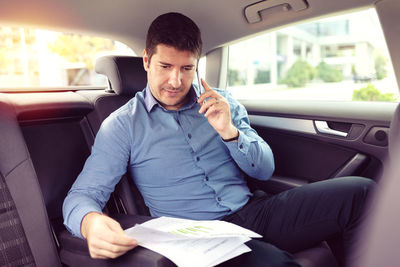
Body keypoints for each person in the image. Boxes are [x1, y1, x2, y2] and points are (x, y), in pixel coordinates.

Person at [63, 12, 374, 266]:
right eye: (165, 66)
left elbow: (263, 170)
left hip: (255, 212)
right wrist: (91, 223)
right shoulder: (122, 125)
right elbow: (81, 195)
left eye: (187, 68)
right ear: (146, 60)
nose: (176, 80)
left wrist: (230, 132)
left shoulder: (222, 102)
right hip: (200, 234)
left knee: (361, 192)